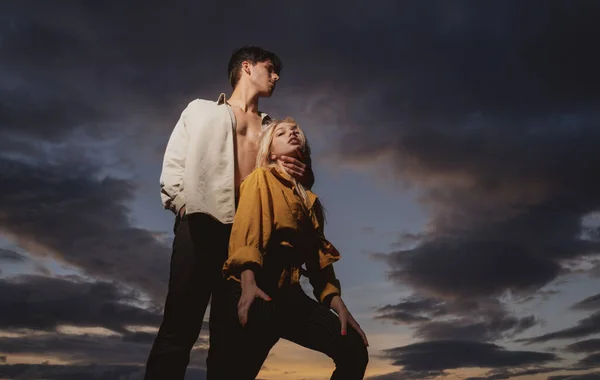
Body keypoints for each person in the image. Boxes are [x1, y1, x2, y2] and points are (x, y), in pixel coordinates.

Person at [144, 46, 314, 380]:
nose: (276, 76)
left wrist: (304, 172)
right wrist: (183, 205)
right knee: (179, 327)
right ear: (247, 67)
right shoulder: (200, 110)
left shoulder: (272, 128)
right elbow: (173, 165)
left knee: (231, 339)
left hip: (248, 238)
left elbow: (301, 175)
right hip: (201, 223)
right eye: (271, 68)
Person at [221, 118, 369, 379]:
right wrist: (247, 282)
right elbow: (249, 231)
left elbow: (318, 260)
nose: (292, 134)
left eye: (296, 132)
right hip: (255, 284)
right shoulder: (261, 179)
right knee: (240, 367)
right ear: (271, 151)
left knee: (354, 348)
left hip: (290, 296)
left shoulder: (309, 201)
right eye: (281, 132)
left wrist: (338, 304)